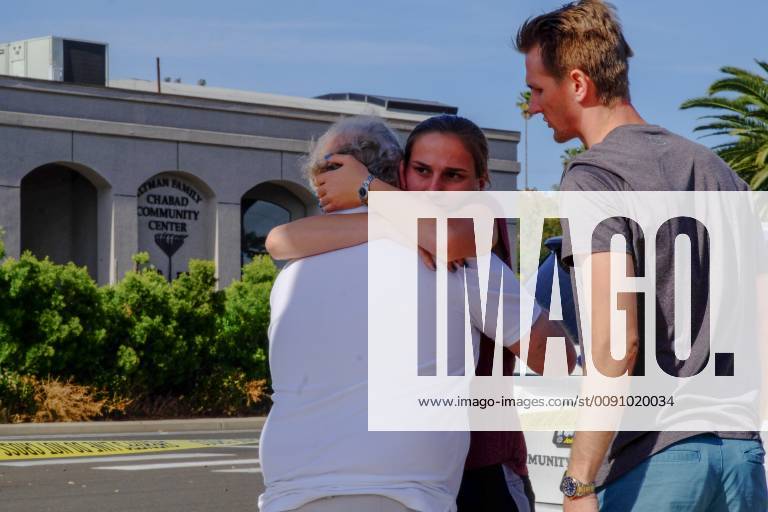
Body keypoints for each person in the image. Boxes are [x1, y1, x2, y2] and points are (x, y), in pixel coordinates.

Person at [514, 1, 767, 511]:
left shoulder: (593, 177)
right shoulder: (719, 174)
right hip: (741, 459)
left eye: (538, 91)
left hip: (655, 463)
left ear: (578, 84)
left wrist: (577, 481)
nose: (533, 108)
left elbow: (616, 343)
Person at [259, 115, 571, 512]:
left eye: (453, 176)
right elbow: (560, 359)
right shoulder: (453, 258)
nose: (434, 188)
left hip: (295, 494)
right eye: (422, 171)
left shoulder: (295, 270)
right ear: (400, 172)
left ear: (480, 184)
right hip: (416, 493)